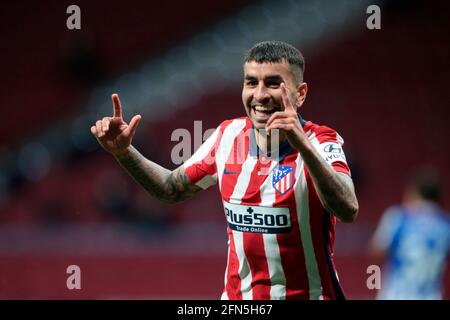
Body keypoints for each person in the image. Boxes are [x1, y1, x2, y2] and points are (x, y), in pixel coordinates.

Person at [90, 41, 359, 300]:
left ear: (300, 94)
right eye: (251, 82)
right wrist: (124, 153)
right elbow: (170, 189)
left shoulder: (322, 141)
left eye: (274, 83)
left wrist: (301, 144)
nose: (260, 94)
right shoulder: (228, 135)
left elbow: (347, 208)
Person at [370, 169, 450, 300]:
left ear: (415, 193)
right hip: (430, 295)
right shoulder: (446, 225)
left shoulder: (399, 216)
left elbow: (377, 251)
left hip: (397, 294)